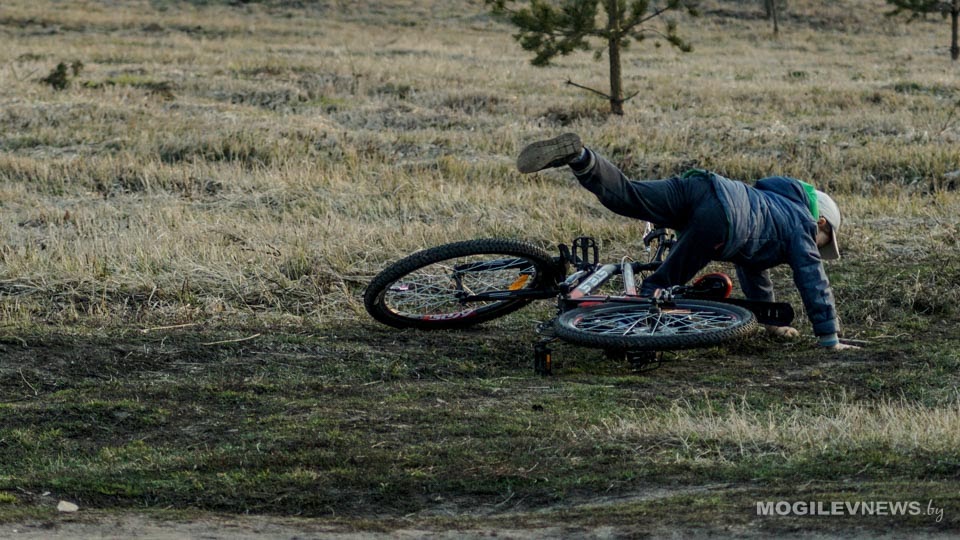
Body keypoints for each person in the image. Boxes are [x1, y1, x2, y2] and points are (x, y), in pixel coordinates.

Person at [517, 132, 857, 350]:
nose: (819, 247)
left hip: (703, 187)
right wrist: (829, 337)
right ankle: (633, 336)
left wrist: (770, 323)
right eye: (824, 239)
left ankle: (581, 159)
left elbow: (754, 269)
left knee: (628, 196)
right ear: (821, 221)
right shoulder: (800, 222)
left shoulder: (769, 205)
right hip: (721, 219)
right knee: (663, 284)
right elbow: (814, 281)